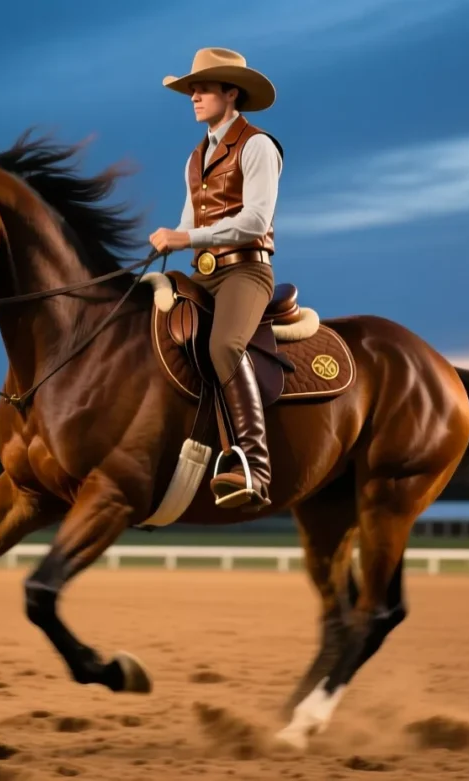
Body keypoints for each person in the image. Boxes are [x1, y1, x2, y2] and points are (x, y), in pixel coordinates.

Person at [149, 47, 282, 511]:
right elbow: (189, 222)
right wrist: (172, 242)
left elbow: (255, 219)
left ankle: (255, 465)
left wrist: (184, 237)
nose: (194, 97)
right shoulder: (195, 158)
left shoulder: (258, 145)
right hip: (202, 273)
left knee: (224, 345)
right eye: (191, 90)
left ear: (231, 93)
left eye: (202, 88)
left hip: (247, 270)